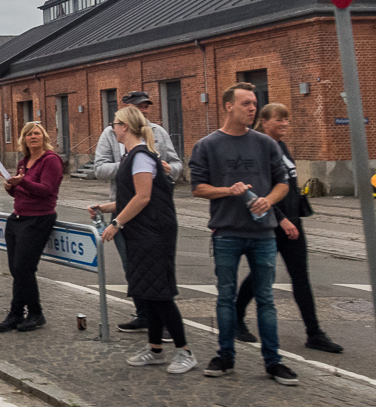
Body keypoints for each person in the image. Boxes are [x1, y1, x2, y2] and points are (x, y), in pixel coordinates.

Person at [190, 82, 298, 385]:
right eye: (246, 104)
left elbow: (283, 183)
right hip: (226, 232)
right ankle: (225, 355)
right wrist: (227, 190)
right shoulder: (208, 145)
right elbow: (197, 188)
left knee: (266, 298)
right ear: (229, 106)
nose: (252, 108)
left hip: (263, 232)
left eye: (254, 103)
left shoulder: (266, 144)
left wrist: (270, 200)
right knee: (225, 297)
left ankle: (273, 361)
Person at [233, 103, 343, 353]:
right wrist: (280, 217)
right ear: (265, 122)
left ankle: (314, 333)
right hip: (273, 224)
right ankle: (236, 319)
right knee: (260, 273)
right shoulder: (259, 147)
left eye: (287, 120)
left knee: (300, 278)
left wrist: (294, 215)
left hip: (294, 221)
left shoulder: (281, 146)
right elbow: (259, 187)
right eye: (279, 120)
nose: (285, 124)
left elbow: (288, 184)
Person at [93, 106, 195, 374]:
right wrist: (107, 207)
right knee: (145, 290)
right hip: (142, 231)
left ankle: (185, 351)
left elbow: (143, 197)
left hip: (154, 232)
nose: (112, 128)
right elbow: (131, 198)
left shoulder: (140, 156)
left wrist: (116, 223)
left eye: (114, 124)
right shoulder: (131, 156)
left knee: (160, 293)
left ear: (125, 126)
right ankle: (155, 349)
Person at [0, 122, 63, 333]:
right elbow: (20, 193)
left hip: (38, 219)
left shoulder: (51, 161)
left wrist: (21, 183)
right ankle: (15, 313)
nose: (33, 137)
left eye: (37, 133)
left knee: (24, 268)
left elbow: (46, 190)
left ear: (44, 137)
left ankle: (35, 312)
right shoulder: (24, 162)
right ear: (24, 139)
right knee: (16, 269)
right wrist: (10, 187)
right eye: (29, 134)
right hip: (17, 217)